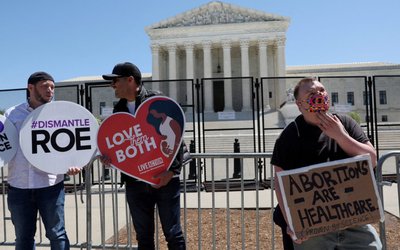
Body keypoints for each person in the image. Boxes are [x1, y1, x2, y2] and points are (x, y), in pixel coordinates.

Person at [272, 77, 382, 250]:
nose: (319, 95)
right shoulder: (290, 135)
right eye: (311, 93)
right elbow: (280, 182)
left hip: (353, 223)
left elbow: (372, 159)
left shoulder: (345, 123)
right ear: (300, 104)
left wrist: (340, 136)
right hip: (314, 228)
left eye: (322, 91)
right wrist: (292, 222)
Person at [101, 62, 189, 250]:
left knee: (174, 234)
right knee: (144, 237)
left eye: (115, 80)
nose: (112, 85)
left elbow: (177, 138)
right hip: (135, 183)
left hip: (165, 180)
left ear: (130, 80)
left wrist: (172, 172)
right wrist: (110, 158)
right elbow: (121, 146)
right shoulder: (118, 111)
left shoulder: (157, 101)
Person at [5, 71, 81, 250]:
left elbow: (72, 144)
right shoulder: (11, 114)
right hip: (19, 186)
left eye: (52, 87)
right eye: (45, 86)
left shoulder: (61, 114)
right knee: (23, 238)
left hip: (51, 186)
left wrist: (73, 163)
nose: (50, 90)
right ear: (30, 88)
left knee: (57, 234)